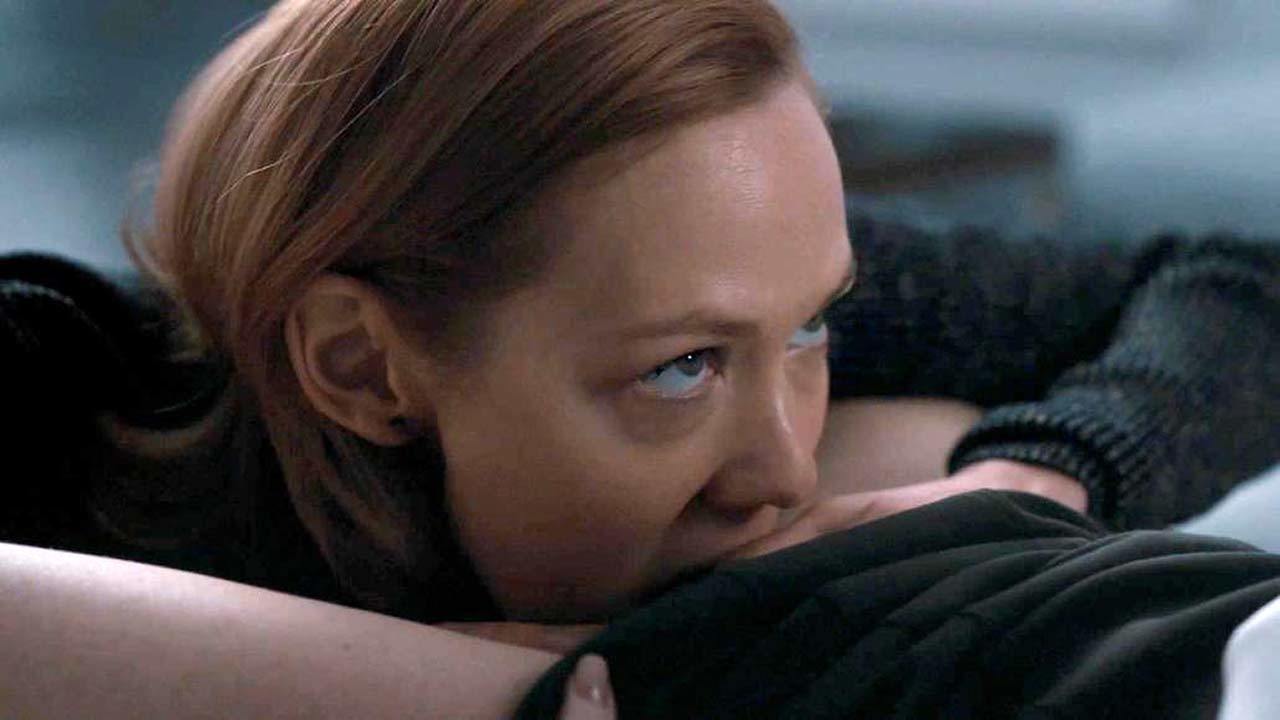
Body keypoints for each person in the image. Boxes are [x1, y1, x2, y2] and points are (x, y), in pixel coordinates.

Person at [1, 0, 1278, 716]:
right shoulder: (57, 383)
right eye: (680, 372)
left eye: (810, 328)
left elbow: (1237, 288)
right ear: (359, 368)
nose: (779, 471)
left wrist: (1038, 477)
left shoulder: (719, 264)